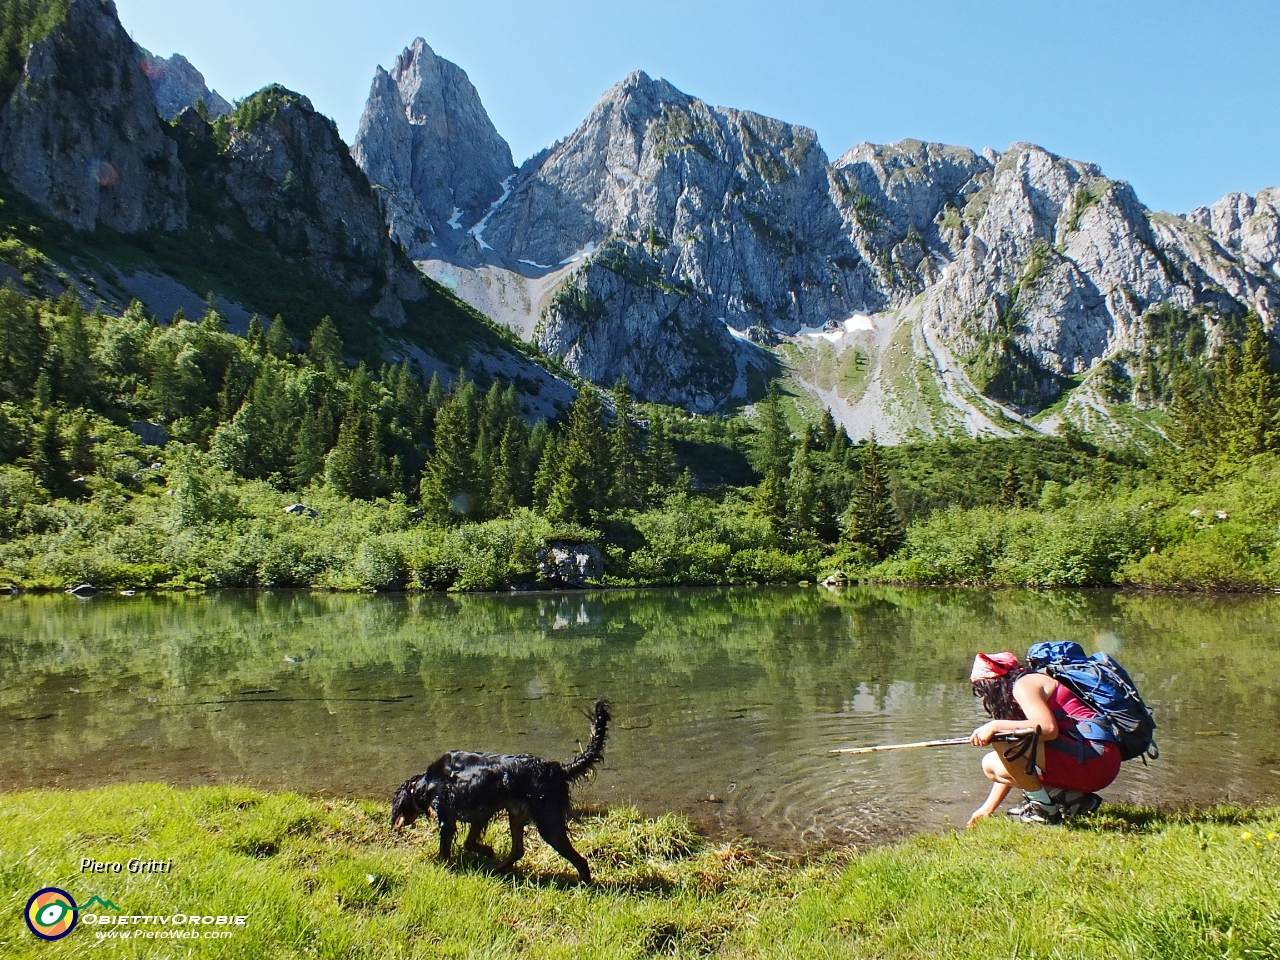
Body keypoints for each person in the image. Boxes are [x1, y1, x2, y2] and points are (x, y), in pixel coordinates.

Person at [965, 651, 1121, 828]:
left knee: (1000, 744)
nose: (986, 697)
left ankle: (1044, 812)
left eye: (983, 689)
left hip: (1095, 760)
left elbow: (1048, 729)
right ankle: (1075, 800)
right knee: (994, 766)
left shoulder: (1024, 686)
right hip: (1098, 761)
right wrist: (987, 809)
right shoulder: (1026, 685)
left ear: (993, 683)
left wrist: (996, 725)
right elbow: (1015, 765)